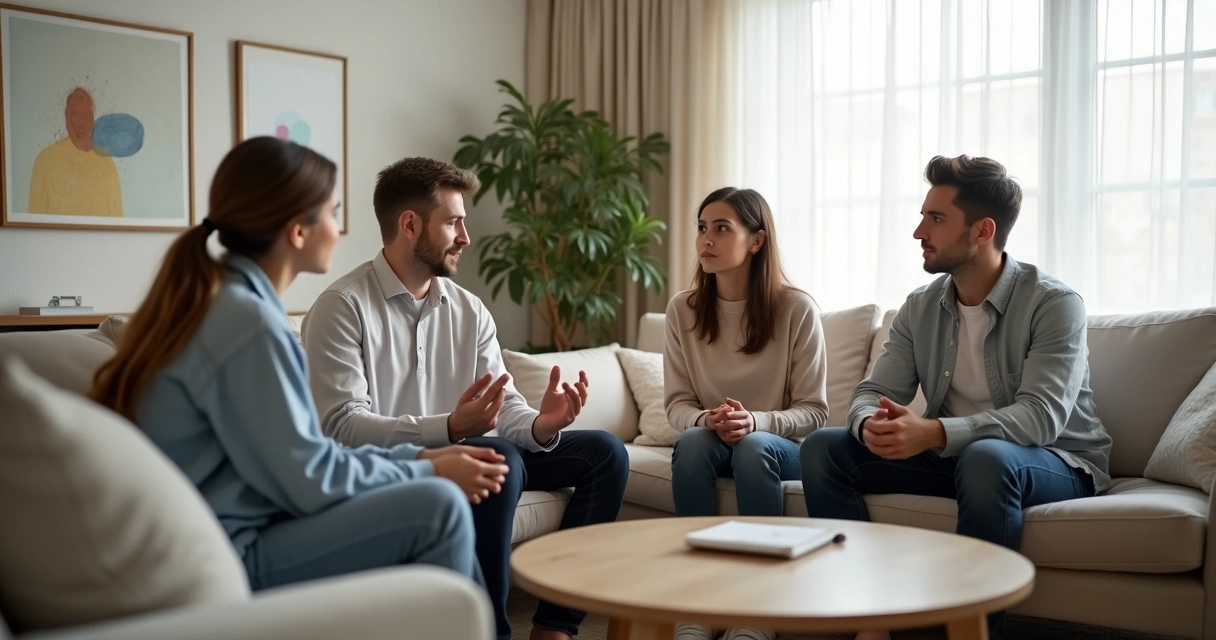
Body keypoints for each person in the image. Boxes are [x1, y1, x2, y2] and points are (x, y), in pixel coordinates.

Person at [90, 137, 505, 596]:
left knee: (434, 495)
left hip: (227, 531)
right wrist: (426, 467)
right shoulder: (250, 325)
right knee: (439, 507)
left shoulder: (228, 303)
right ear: (298, 231)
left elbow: (302, 459)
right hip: (225, 552)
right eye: (332, 213)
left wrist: (420, 458)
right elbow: (311, 477)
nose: (339, 229)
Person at [302, 156, 630, 640]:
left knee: (605, 453)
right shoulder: (342, 307)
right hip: (397, 465)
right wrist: (450, 428)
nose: (466, 237)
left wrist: (542, 424)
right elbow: (342, 427)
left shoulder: (469, 310)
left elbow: (504, 404)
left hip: (472, 450)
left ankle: (554, 627)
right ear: (410, 225)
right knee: (498, 458)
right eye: (453, 222)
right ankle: (489, 630)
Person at [799, 155, 1112, 640]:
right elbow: (872, 391)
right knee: (825, 449)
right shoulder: (920, 306)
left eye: (936, 218)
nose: (918, 232)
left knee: (986, 458)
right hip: (956, 458)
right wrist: (869, 424)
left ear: (983, 230)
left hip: (1055, 460)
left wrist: (934, 432)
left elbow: (1041, 417)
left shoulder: (1053, 304)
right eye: (922, 216)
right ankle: (870, 621)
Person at [665, 187, 829, 640]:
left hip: (780, 448)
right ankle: (697, 603)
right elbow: (677, 406)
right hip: (713, 440)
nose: (706, 240)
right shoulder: (682, 309)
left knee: (754, 447)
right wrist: (708, 420)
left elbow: (815, 411)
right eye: (702, 228)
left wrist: (756, 421)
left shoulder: (797, 308)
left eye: (722, 229)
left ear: (757, 240)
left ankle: (759, 608)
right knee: (692, 443)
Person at [29, 87, 123, 216]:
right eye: (74, 114)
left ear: (92, 117)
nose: (81, 123)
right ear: (66, 118)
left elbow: (117, 220)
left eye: (85, 114)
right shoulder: (46, 160)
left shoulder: (107, 164)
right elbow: (34, 219)